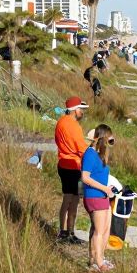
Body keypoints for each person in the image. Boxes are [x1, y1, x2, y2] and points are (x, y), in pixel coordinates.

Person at [82, 124, 118, 273]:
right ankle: (98, 262)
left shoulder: (100, 154)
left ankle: (99, 257)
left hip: (103, 195)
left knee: (106, 229)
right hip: (94, 196)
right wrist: (104, 189)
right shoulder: (90, 154)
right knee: (99, 230)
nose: (111, 143)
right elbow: (85, 177)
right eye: (109, 139)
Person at [54, 96, 89, 244]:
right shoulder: (74, 126)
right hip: (73, 167)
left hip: (64, 164)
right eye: (81, 109)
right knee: (72, 200)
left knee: (71, 200)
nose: (82, 112)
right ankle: (66, 233)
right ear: (75, 110)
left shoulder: (61, 122)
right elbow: (81, 148)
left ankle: (66, 232)